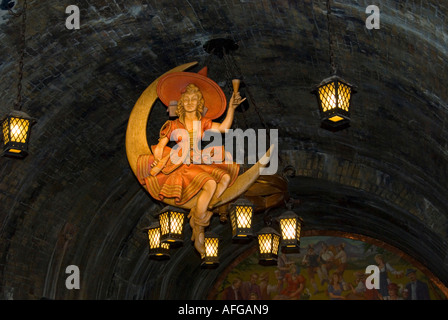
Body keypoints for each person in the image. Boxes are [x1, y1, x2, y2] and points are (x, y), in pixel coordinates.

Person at [137, 68, 245, 257]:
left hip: (199, 159)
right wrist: (158, 161)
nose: (189, 103)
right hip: (181, 163)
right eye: (186, 99)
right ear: (180, 103)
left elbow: (225, 128)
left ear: (199, 103)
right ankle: (199, 229)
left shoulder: (203, 123)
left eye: (193, 99)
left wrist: (232, 108)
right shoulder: (173, 125)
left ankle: (201, 211)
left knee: (226, 177)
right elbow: (162, 145)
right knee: (211, 183)